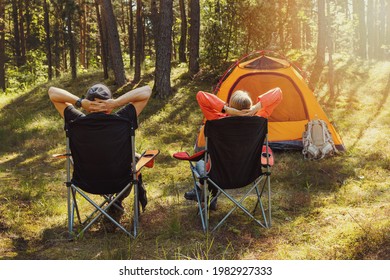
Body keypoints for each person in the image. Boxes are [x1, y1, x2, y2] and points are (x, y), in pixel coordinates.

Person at [48, 83, 152, 223]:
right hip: (121, 181)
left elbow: (52, 92)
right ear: (108, 107)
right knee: (136, 161)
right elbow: (146, 91)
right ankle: (116, 203)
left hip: (86, 182)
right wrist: (115, 103)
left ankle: (114, 207)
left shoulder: (76, 121)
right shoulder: (123, 119)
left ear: (88, 107)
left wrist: (80, 102)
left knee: (135, 158)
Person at [184, 87, 283, 210]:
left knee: (202, 164)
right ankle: (209, 197)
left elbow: (200, 95)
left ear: (231, 106)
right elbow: (278, 93)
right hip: (248, 174)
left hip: (219, 174)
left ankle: (201, 191)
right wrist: (256, 109)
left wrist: (226, 109)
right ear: (250, 105)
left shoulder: (217, 119)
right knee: (211, 165)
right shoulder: (259, 119)